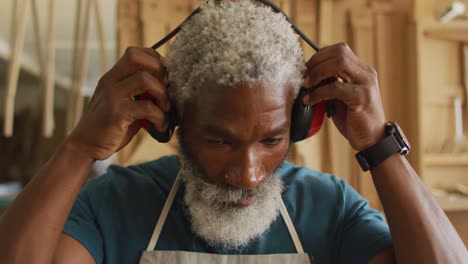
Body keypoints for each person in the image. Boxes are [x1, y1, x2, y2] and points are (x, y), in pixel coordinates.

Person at [1, 1, 467, 263]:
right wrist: (80, 147)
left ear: (306, 122)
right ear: (171, 120)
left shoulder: (331, 209)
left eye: (270, 140)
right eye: (219, 140)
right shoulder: (115, 204)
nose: (246, 174)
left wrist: (380, 147)